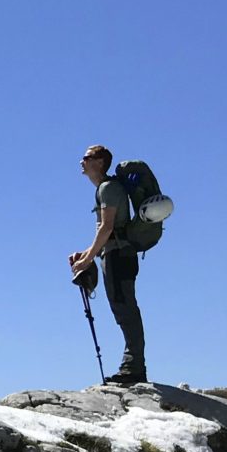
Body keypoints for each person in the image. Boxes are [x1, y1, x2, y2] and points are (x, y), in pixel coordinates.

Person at [69, 143, 146, 384]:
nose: (82, 161)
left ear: (99, 162)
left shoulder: (108, 188)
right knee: (122, 308)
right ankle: (133, 365)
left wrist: (88, 259)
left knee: (125, 309)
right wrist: (87, 254)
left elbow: (107, 227)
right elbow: (106, 232)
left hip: (119, 256)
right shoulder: (105, 189)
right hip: (116, 254)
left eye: (86, 157)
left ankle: (134, 367)